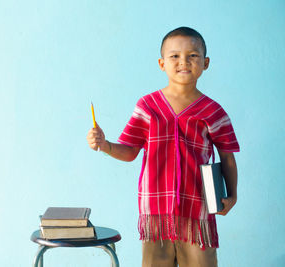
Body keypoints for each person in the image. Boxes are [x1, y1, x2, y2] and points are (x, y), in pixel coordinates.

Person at [86, 26, 239, 267]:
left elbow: (228, 157)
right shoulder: (147, 106)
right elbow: (130, 151)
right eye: (175, 56)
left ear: (206, 63)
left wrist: (232, 195)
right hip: (155, 215)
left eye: (193, 55)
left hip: (197, 213)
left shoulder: (213, 111)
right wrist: (105, 145)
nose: (184, 62)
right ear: (161, 63)